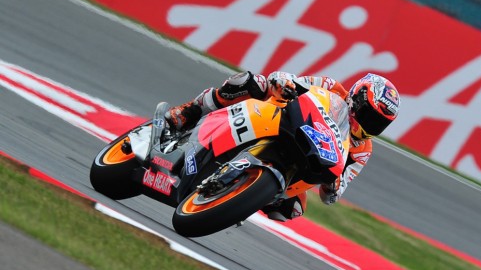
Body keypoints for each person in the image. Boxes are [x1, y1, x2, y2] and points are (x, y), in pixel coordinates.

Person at [165, 70, 400, 222]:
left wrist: (333, 184)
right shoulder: (332, 87)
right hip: (281, 120)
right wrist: (285, 83)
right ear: (357, 98)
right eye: (369, 116)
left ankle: (235, 195)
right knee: (253, 83)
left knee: (293, 209)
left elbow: (334, 195)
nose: (370, 126)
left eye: (378, 124)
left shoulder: (362, 150)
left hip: (306, 161)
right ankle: (188, 112)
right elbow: (291, 80)